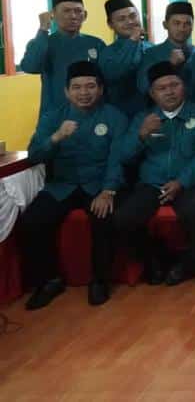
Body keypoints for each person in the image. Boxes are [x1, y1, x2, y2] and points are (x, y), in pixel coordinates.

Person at [20, 62, 126, 309]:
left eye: (90, 86)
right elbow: (34, 156)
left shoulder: (114, 117)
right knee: (32, 221)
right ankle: (49, 281)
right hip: (61, 186)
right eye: (77, 87)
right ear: (67, 91)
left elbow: (117, 159)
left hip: (97, 185)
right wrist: (56, 138)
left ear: (100, 89)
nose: (84, 92)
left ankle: (99, 280)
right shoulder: (52, 117)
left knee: (104, 217)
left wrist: (108, 191)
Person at [114, 61, 195, 286]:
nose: (169, 91)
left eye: (174, 85)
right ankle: (155, 258)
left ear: (183, 86)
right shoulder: (143, 118)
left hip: (189, 183)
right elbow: (124, 156)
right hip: (152, 184)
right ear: (152, 93)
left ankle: (190, 262)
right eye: (162, 88)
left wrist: (181, 181)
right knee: (123, 219)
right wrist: (141, 136)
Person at [21, 0, 105, 117]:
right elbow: (30, 66)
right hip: (54, 116)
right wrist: (43, 29)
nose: (73, 16)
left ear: (85, 15)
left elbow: (106, 80)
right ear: (53, 14)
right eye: (66, 11)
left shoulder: (96, 44)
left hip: (91, 116)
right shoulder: (43, 42)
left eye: (78, 11)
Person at [98, 0, 151, 117]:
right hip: (120, 116)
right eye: (121, 19)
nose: (130, 22)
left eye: (133, 16)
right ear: (110, 24)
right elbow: (116, 72)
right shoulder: (107, 53)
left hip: (151, 114)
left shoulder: (151, 48)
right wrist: (132, 41)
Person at [138, 1, 195, 95]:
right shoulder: (151, 54)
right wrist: (169, 66)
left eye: (187, 24)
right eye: (176, 23)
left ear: (192, 26)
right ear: (165, 25)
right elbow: (143, 87)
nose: (182, 28)